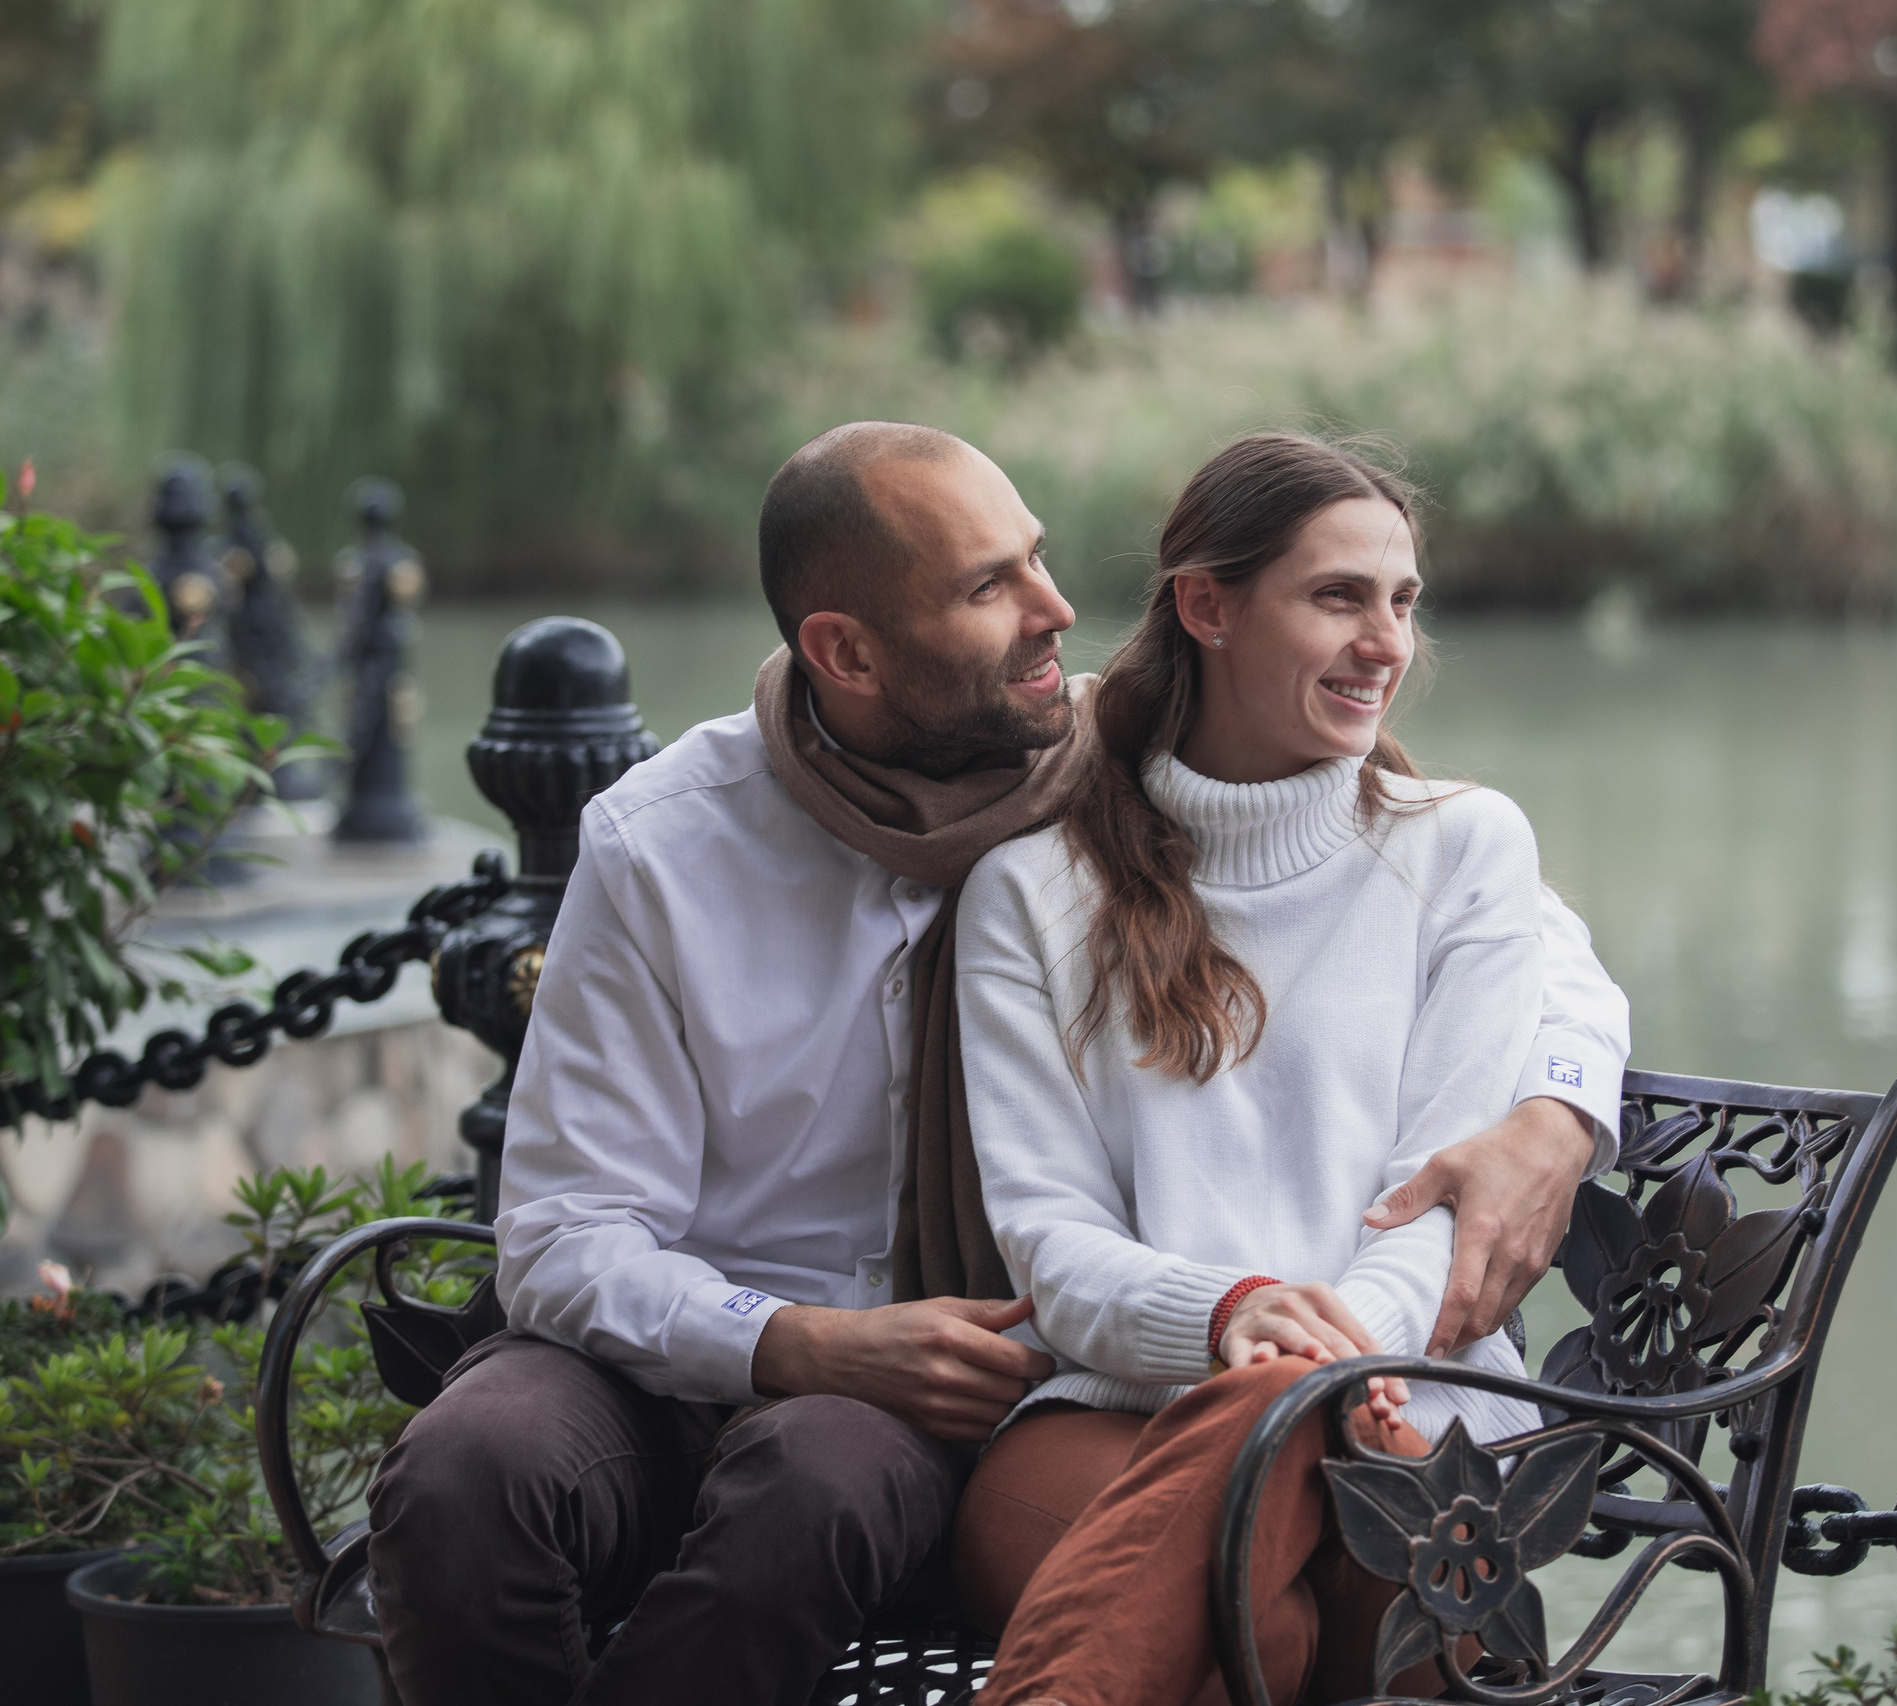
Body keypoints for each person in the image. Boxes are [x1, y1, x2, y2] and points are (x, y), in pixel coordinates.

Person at [363, 422, 1632, 1706]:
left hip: (944, 1401)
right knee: (466, 1469)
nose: (1057, 611)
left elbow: (1508, 915)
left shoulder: (1094, 749)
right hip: (720, 1338)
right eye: (989, 586)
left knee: (818, 1490)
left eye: (1032, 558)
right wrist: (795, 1339)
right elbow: (565, 1230)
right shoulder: (668, 844)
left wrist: (1557, 1109)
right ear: (845, 651)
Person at [951, 434, 1559, 1706]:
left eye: (1401, 601)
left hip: (1409, 1414)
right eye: (1338, 597)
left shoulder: (1463, 850)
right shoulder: (1030, 892)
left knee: (1263, 1598)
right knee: (1255, 1609)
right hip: (1112, 1414)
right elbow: (1050, 1241)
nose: (1385, 641)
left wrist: (1330, 1368)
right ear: (1207, 605)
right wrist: (1232, 1318)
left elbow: (1437, 1202)